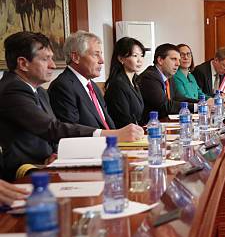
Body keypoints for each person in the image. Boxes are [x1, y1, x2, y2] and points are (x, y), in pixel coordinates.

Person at [0, 32, 143, 181]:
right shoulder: (12, 89)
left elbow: (53, 134)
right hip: (23, 171)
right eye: (45, 59)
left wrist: (56, 154)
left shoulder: (40, 91)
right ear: (23, 63)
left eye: (52, 58)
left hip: (48, 162)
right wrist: (113, 135)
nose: (53, 65)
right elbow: (52, 128)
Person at [48, 31, 115, 129]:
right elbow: (72, 130)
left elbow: (106, 122)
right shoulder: (62, 87)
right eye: (96, 55)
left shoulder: (93, 85)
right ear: (76, 57)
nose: (101, 61)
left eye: (101, 54)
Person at [104, 37, 145, 128]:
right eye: (135, 56)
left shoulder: (135, 81)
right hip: (124, 136)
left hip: (135, 132)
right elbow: (124, 121)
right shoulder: (117, 84)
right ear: (121, 59)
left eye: (141, 55)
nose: (140, 60)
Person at [139, 43, 186, 121]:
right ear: (160, 60)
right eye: (174, 59)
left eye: (179, 60)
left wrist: (202, 103)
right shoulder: (149, 77)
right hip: (150, 127)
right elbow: (165, 106)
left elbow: (179, 98)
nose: (178, 64)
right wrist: (196, 107)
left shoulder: (169, 77)